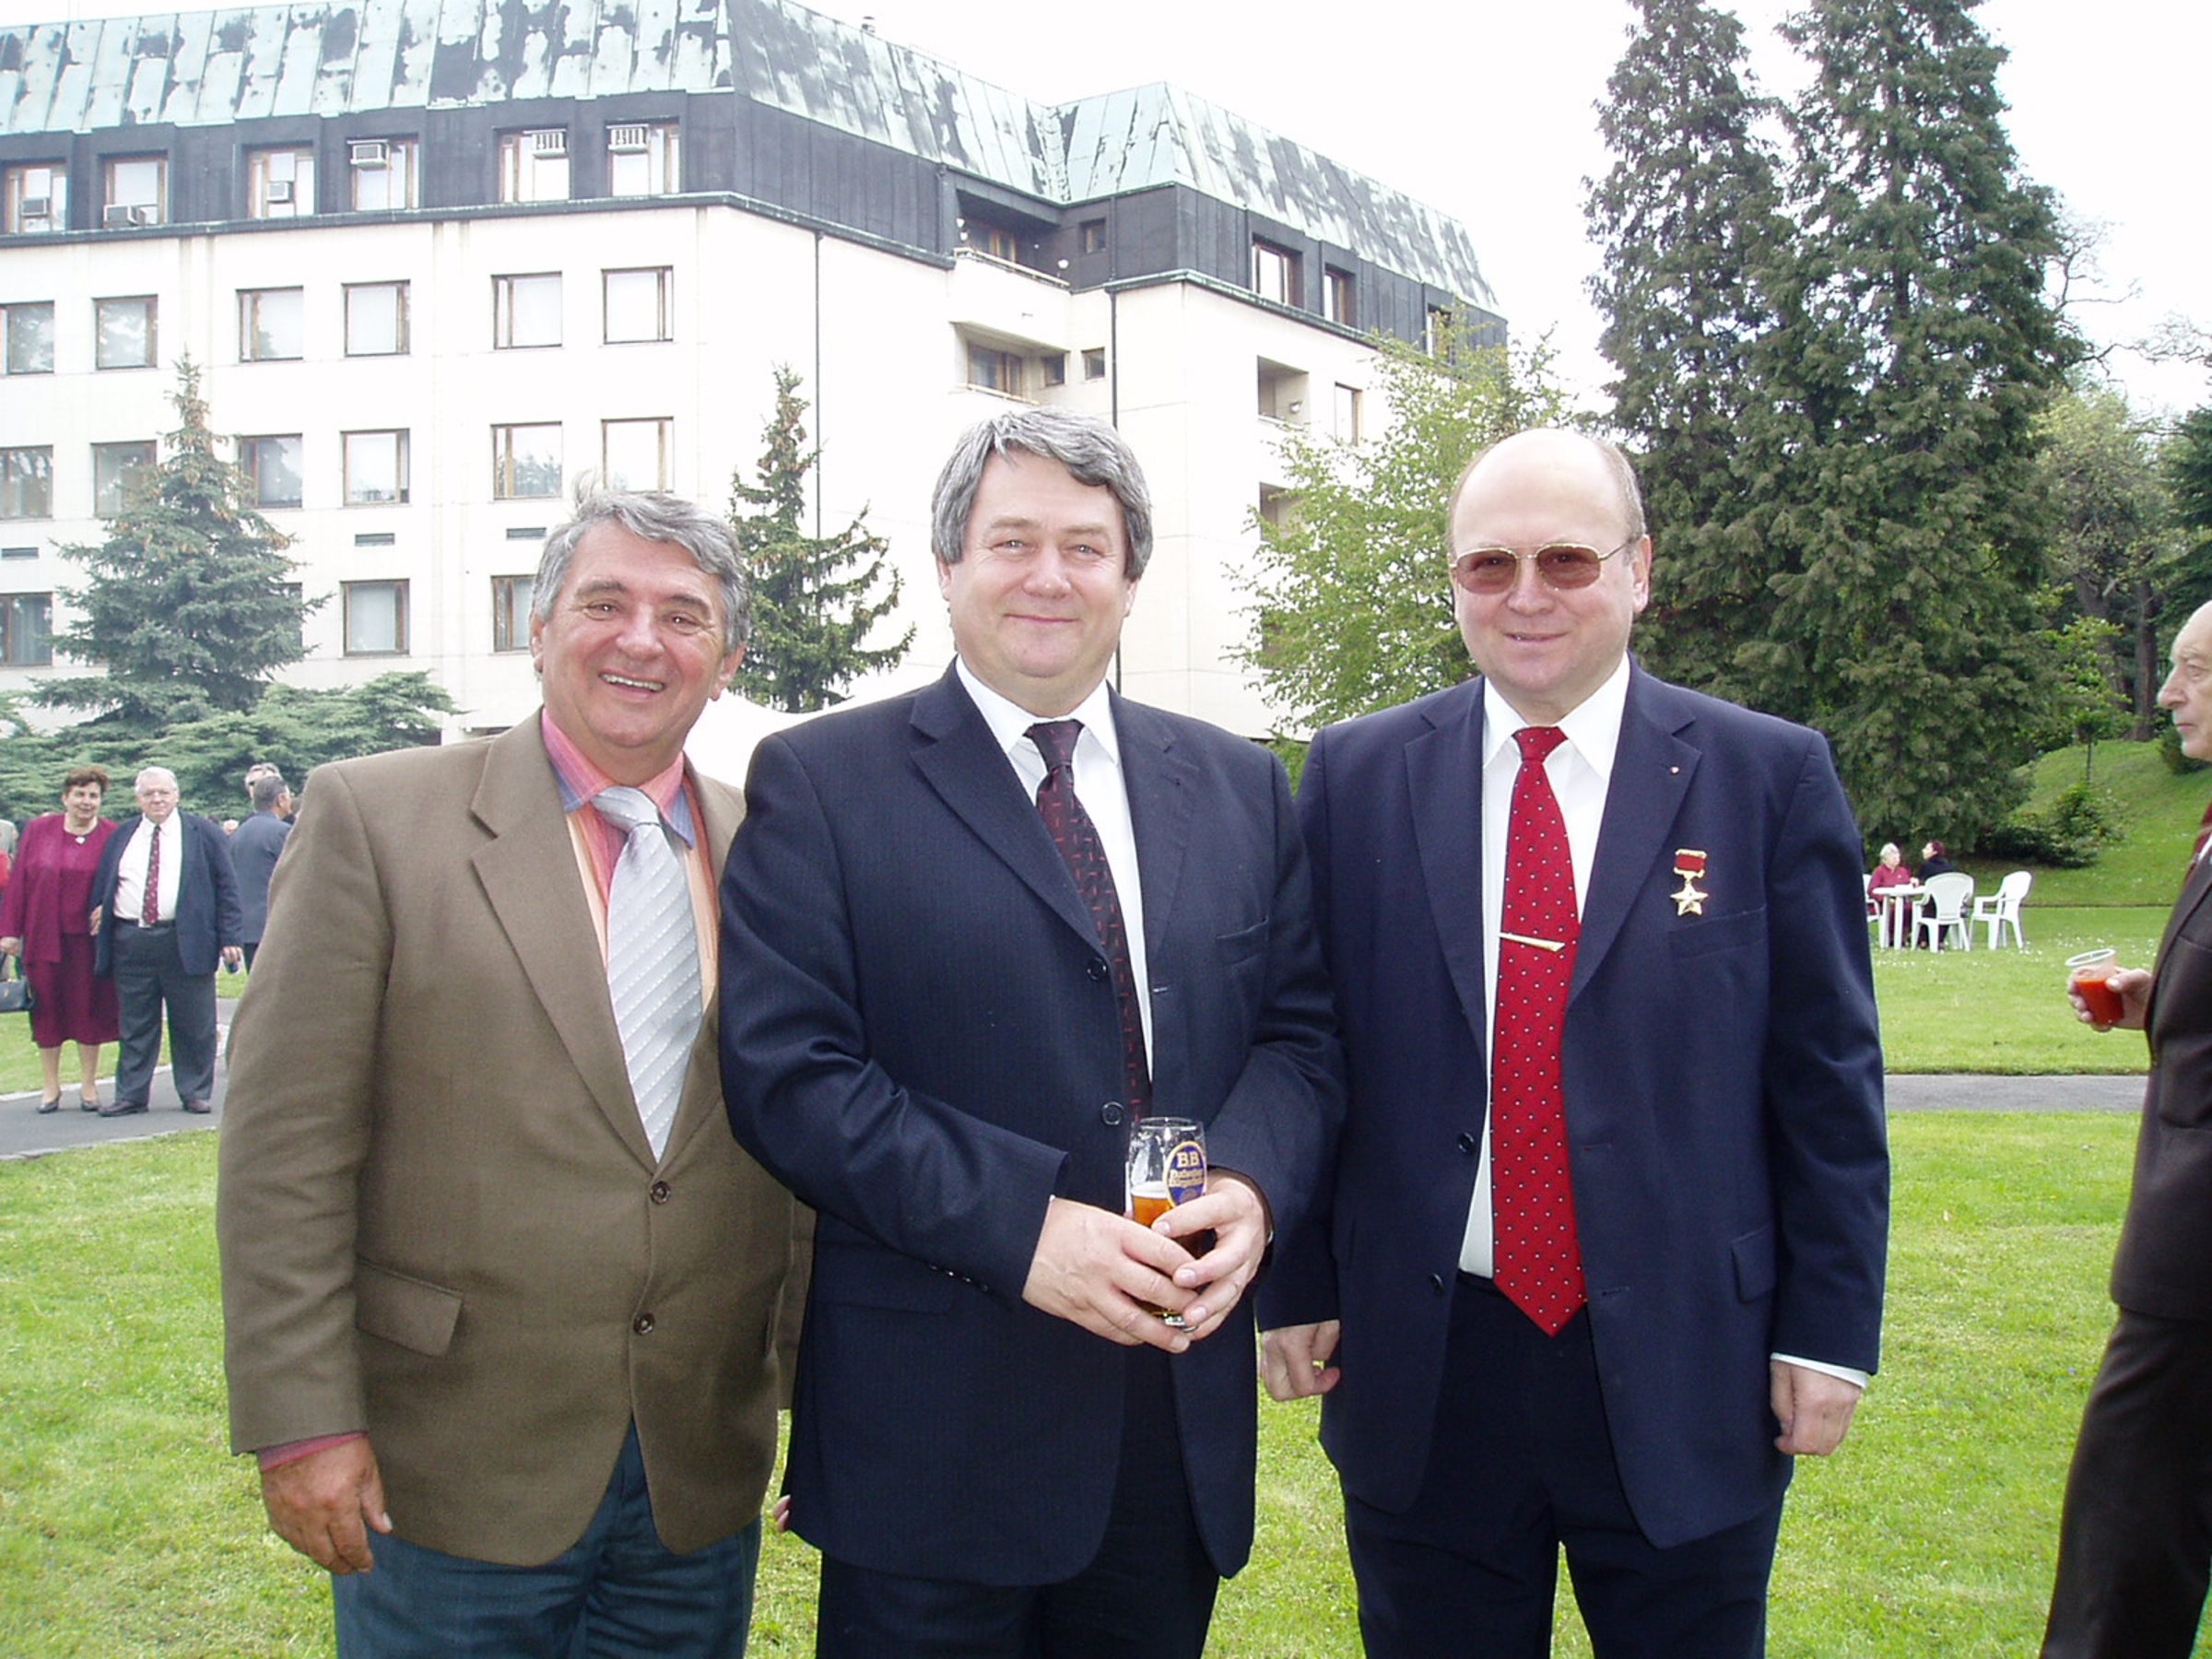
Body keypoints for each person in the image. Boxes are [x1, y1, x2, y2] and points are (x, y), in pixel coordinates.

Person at [719, 407, 1341, 1658]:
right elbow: (792, 1076)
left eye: (1085, 547)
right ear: (948, 566)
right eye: (1012, 542)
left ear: (1130, 577)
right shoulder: (823, 781)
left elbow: (1299, 1037)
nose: (1048, 577)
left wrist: (1250, 1185)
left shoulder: (1238, 783)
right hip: (934, 1435)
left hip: (1167, 1418)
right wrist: (1024, 1229)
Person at [1257, 428, 1889, 1657]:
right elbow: (1310, 1049)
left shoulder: (1769, 777)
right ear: (1454, 583)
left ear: (1639, 569)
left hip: (1691, 1363)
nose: (1527, 595)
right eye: (1489, 565)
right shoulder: (1354, 775)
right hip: (1429, 1363)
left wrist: (1828, 1333)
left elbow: (1826, 1083)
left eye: (1566, 560)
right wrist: (1299, 1286)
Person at [218, 488, 805, 1658]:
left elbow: (804, 1141)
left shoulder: (779, 851)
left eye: (683, 616)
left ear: (728, 658)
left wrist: (824, 1403)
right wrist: (302, 1423)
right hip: (448, 1471)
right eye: (605, 603)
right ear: (539, 630)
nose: (641, 640)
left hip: (695, 1474)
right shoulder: (376, 819)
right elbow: (286, 1152)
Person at [2042, 598, 2212, 1656]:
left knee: (2126, 1548)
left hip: (2193, 1275)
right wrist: (2167, 1002)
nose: (2167, 691)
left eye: (2193, 669)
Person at [88, 766, 241, 1117]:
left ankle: (195, 1092)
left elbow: (227, 886)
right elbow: (107, 880)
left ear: (177, 795)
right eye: (149, 794)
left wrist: (230, 935)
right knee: (135, 1023)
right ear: (138, 798)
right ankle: (131, 1094)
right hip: (132, 940)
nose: (156, 799)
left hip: (186, 940)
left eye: (163, 793)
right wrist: (101, 908)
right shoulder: (124, 835)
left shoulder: (203, 833)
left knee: (194, 1023)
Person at [0, 766, 123, 1112]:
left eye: (93, 795)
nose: (86, 802)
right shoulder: (39, 831)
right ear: (65, 797)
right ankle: (50, 1086)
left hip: (90, 943)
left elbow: (121, 882)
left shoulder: (112, 835)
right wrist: (9, 931)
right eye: (80, 794)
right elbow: (19, 882)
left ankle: (88, 1086)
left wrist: (109, 907)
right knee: (47, 1010)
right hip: (44, 937)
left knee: (89, 1009)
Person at [227, 770, 291, 971]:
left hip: (247, 928)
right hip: (277, 926)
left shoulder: (238, 834)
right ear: (281, 799)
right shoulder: (283, 832)